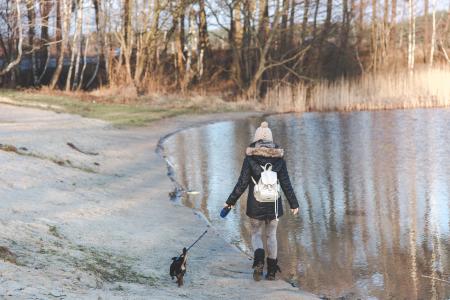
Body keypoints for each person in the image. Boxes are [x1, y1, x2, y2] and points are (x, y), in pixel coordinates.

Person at [224, 121, 299, 281]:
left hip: (255, 205)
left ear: (256, 139)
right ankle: (271, 272)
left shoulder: (250, 159)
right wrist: (294, 204)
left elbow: (242, 183)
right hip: (274, 206)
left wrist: (230, 201)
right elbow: (286, 183)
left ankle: (259, 259)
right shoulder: (279, 160)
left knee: (256, 233)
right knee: (272, 235)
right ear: (271, 141)